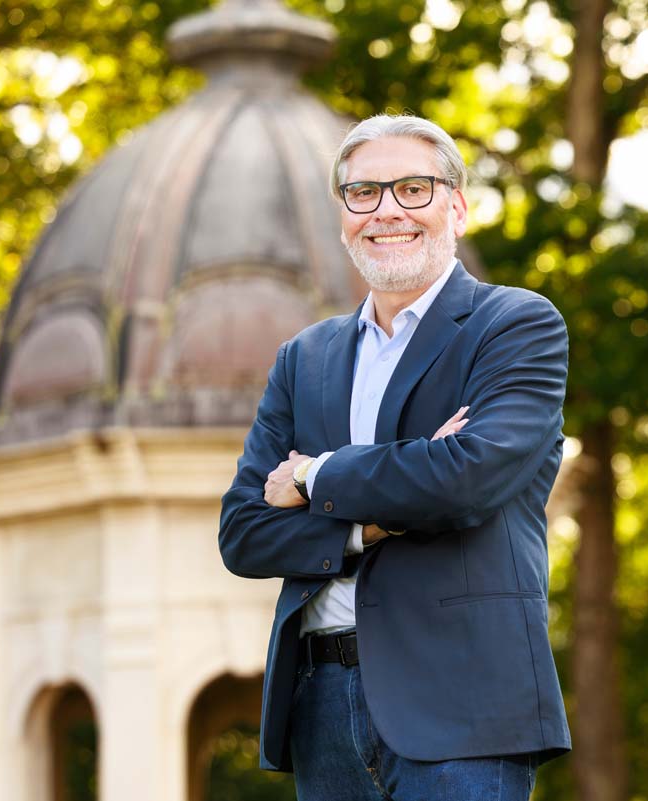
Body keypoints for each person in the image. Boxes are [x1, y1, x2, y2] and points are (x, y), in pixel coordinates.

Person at [219, 114, 571, 801]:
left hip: (464, 702)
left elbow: (465, 479)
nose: (386, 210)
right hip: (321, 704)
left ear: (457, 206)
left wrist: (312, 474)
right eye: (364, 193)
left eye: (413, 188)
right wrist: (375, 519)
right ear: (344, 215)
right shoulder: (304, 359)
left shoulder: (516, 325)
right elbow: (244, 532)